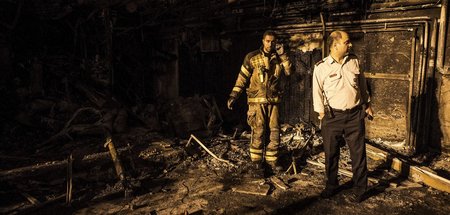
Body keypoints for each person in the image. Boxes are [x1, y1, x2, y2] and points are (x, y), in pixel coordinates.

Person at [312, 30, 374, 202]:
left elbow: (361, 84)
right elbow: (316, 92)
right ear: (335, 45)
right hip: (332, 117)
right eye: (347, 42)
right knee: (331, 154)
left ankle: (360, 189)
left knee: (358, 154)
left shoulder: (353, 60)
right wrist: (322, 114)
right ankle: (331, 185)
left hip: (355, 115)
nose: (350, 44)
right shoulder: (321, 67)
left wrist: (367, 104)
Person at [227, 30, 292, 175]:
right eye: (267, 41)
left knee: (274, 131)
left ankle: (271, 161)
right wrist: (234, 95)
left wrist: (283, 55)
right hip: (256, 102)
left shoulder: (279, 57)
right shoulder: (252, 57)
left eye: (273, 41)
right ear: (263, 41)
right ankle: (256, 164)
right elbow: (242, 78)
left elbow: (289, 72)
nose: (270, 44)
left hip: (273, 102)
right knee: (258, 130)